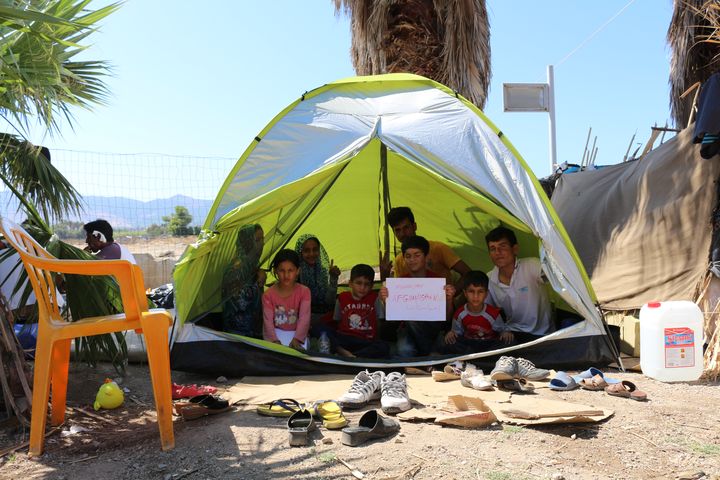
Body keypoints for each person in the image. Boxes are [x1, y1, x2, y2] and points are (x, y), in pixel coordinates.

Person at [380, 235, 455, 356]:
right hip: (407, 330)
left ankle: (425, 354)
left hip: (432, 328)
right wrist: (385, 301)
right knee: (405, 350)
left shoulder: (437, 281)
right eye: (408, 256)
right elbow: (393, 318)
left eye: (417, 255)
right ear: (404, 259)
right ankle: (429, 352)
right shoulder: (399, 284)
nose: (412, 260)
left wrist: (449, 299)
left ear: (426, 257)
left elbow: (446, 317)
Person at [485, 226, 554, 344]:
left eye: (502, 246)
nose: (498, 253)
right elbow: (486, 311)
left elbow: (559, 279)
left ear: (515, 249)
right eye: (493, 248)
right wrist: (502, 330)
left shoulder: (532, 266)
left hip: (542, 335)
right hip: (511, 334)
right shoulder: (489, 278)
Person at [380, 207, 470, 285]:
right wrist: (384, 278)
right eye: (398, 230)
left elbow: (468, 273)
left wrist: (451, 296)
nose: (402, 233)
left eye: (406, 228)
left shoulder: (438, 248)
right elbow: (400, 291)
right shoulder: (399, 260)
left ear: (414, 226)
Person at [440, 271, 511, 354]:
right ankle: (478, 358)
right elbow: (456, 333)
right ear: (465, 293)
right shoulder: (460, 313)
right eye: (471, 291)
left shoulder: (493, 313)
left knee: (510, 341)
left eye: (480, 292)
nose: (476, 296)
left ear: (486, 294)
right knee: (446, 340)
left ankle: (478, 357)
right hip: (468, 345)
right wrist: (451, 334)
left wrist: (505, 333)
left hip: (489, 345)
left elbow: (502, 330)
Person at [330, 263, 389, 358]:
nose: (362, 288)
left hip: (366, 341)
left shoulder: (375, 298)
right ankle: (346, 352)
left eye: (367, 284)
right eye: (358, 283)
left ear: (372, 286)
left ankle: (352, 356)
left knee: (383, 347)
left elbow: (379, 322)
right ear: (350, 283)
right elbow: (337, 320)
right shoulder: (342, 298)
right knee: (322, 330)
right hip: (345, 339)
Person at [221, 224, 266, 336]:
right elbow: (241, 301)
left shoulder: (251, 265)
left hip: (252, 330)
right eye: (258, 240)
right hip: (238, 335)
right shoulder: (235, 269)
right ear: (247, 243)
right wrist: (259, 283)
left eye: (263, 239)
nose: (263, 243)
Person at [262, 249, 311, 351]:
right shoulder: (268, 295)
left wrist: (297, 339)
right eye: (282, 270)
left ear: (298, 271)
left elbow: (304, 318)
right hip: (275, 334)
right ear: (275, 271)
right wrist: (274, 341)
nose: (286, 275)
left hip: (297, 335)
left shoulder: (304, 292)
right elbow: (268, 322)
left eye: (290, 270)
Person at [295, 234, 340, 324]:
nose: (311, 254)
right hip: (301, 319)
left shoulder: (322, 271)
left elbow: (329, 301)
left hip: (323, 316)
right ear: (300, 253)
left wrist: (333, 279)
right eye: (306, 251)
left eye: (315, 250)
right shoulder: (296, 272)